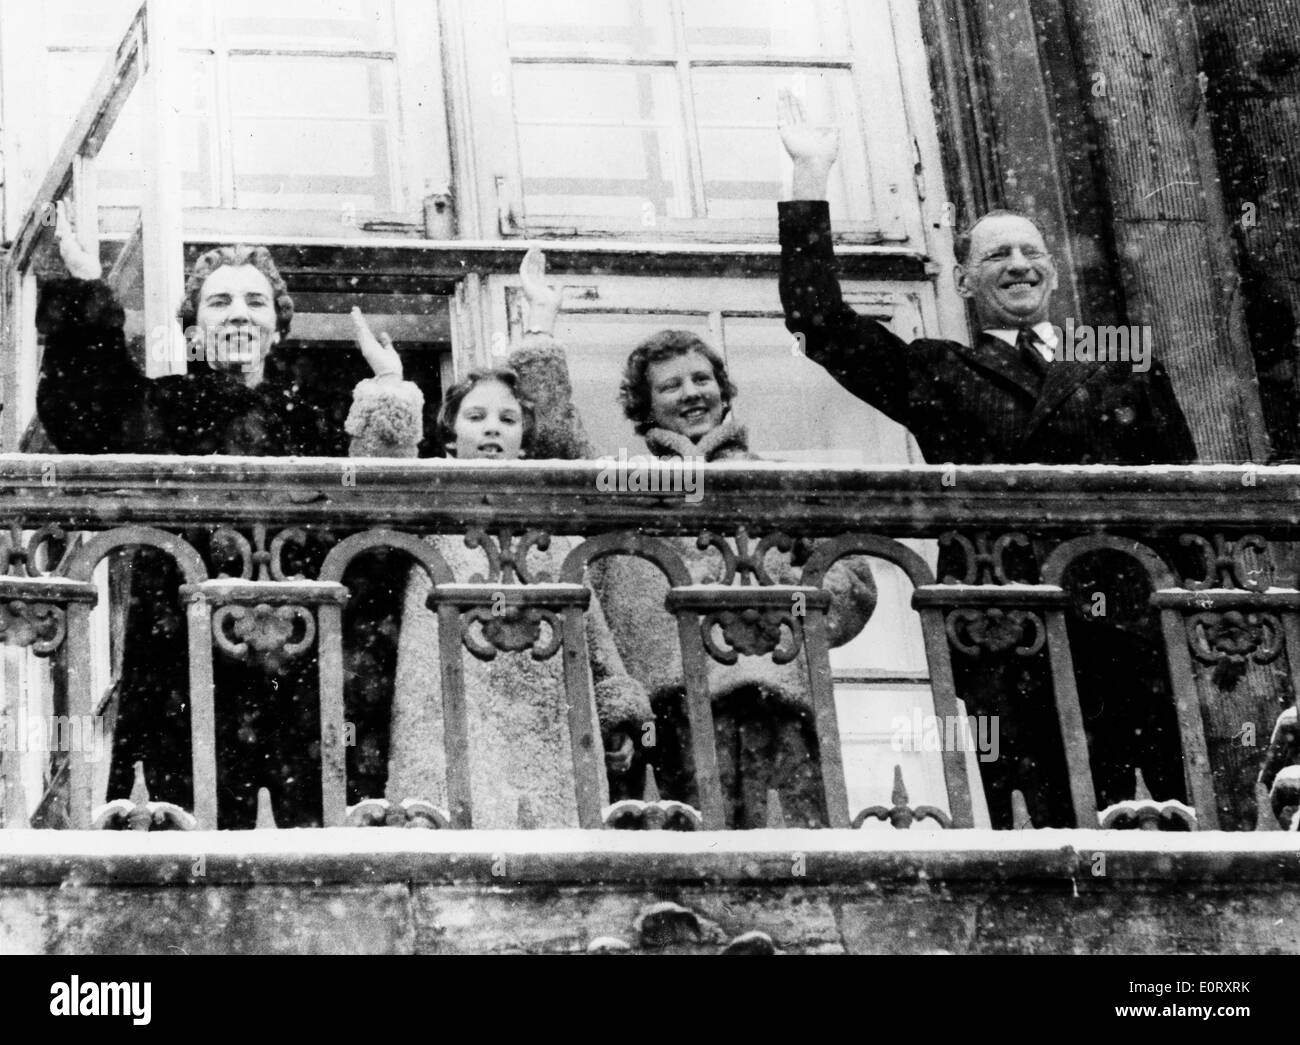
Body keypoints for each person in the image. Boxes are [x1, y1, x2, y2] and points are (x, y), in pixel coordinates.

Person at [776, 91, 1201, 828]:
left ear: (1055, 274)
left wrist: (1192, 608)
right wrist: (811, 176)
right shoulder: (940, 368)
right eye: (995, 254)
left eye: (1032, 251)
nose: (1018, 264)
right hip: (1005, 630)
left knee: (1173, 822)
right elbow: (821, 320)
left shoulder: (1119, 357)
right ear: (966, 282)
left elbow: (1185, 490)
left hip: (1129, 625)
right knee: (1047, 828)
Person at [37, 203, 424, 827]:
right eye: (219, 302)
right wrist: (87, 291)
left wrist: (388, 394)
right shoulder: (160, 405)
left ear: (278, 327)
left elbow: (381, 521)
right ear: (193, 327)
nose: (238, 313)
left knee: (320, 846)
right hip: (182, 663)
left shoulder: (319, 417)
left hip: (307, 661)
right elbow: (82, 412)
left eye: (254, 301)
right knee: (186, 834)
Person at [381, 249, 652, 828]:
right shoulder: (428, 508)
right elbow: (377, 483)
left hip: (544, 719)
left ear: (525, 441)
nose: (492, 429)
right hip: (449, 712)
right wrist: (388, 390)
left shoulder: (546, 527)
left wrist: (615, 709)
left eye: (507, 420)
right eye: (476, 417)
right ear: (450, 436)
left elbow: (588, 621)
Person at [586, 328, 879, 828]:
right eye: (671, 385)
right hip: (668, 719)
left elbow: (853, 579)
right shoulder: (630, 493)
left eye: (702, 378)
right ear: (645, 406)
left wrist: (778, 616)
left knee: (790, 857)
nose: (692, 392)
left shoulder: (776, 482)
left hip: (775, 705)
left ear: (723, 389)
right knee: (686, 871)